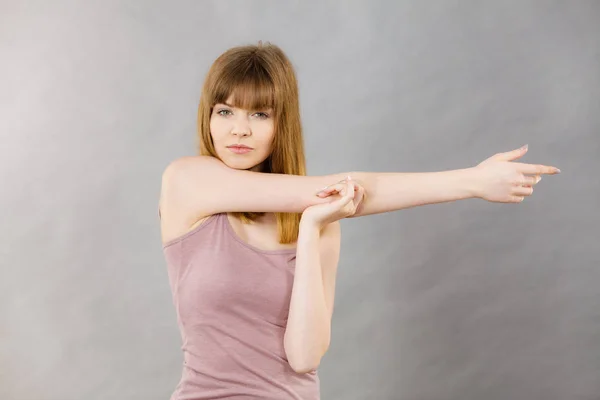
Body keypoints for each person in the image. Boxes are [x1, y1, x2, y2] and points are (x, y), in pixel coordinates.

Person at [158, 41, 560, 400]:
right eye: (225, 111)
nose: (239, 130)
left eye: (260, 114)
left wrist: (312, 231)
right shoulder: (188, 181)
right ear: (207, 117)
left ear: (282, 124)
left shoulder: (320, 221)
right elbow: (343, 189)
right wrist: (472, 181)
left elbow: (303, 357)